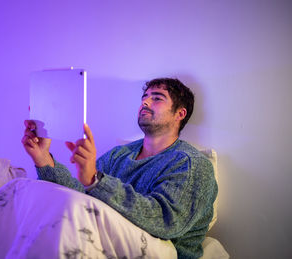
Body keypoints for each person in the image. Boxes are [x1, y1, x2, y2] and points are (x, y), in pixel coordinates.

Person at [22, 78, 218, 259]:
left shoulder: (191, 164)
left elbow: (166, 222)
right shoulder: (119, 155)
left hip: (165, 250)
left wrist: (96, 180)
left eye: (157, 98)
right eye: (144, 98)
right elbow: (81, 195)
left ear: (180, 114)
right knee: (23, 190)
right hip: (110, 239)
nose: (145, 103)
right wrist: (43, 158)